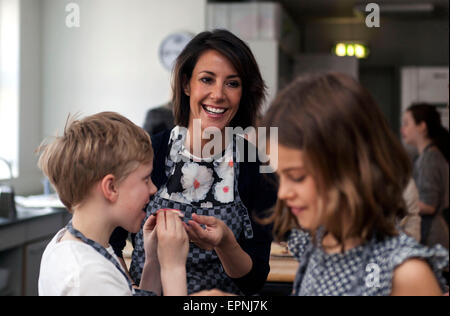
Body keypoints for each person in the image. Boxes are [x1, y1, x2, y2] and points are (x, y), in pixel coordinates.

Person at [110, 29, 277, 295]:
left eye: (232, 83)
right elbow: (110, 241)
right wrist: (126, 290)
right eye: (207, 79)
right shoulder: (150, 152)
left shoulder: (254, 166)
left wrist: (225, 244)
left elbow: (254, 279)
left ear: (244, 92)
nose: (218, 94)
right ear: (187, 84)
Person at [262, 73, 448, 296]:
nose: (283, 193)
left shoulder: (404, 274)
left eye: (298, 177)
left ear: (348, 168)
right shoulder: (319, 247)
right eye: (280, 177)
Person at [37, 112, 189, 296]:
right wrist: (173, 267)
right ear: (111, 187)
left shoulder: (80, 244)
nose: (154, 189)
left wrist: (153, 260)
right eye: (145, 179)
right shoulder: (87, 276)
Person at [401, 103, 449, 249]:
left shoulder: (430, 158)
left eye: (407, 124)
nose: (403, 129)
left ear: (422, 127)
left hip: (432, 235)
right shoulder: (424, 156)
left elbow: (429, 205)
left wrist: (399, 205)